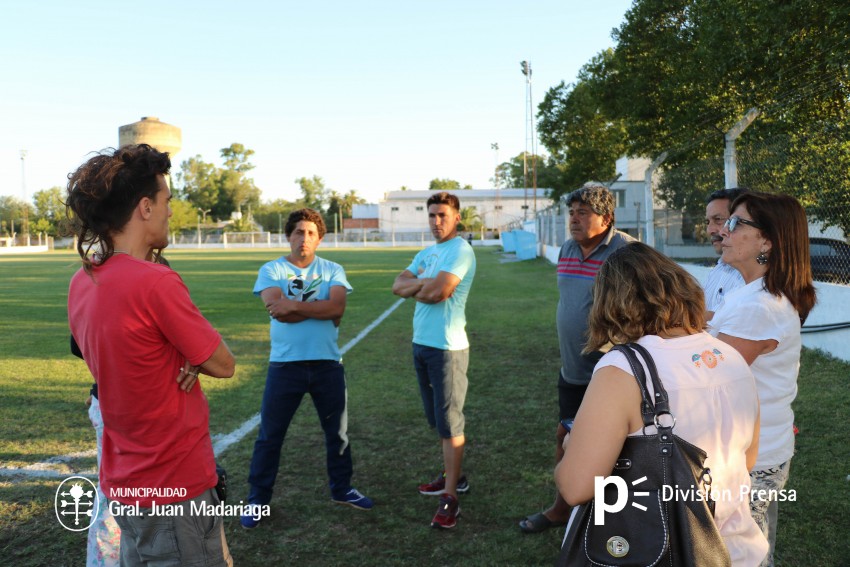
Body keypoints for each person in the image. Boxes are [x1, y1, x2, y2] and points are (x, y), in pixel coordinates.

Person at [66, 144, 236, 567]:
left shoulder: (81, 282)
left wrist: (180, 354)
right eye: (166, 202)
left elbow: (124, 358)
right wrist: (191, 355)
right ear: (144, 207)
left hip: (125, 482)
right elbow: (224, 363)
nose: (170, 212)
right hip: (174, 483)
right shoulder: (155, 282)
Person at [555, 242, 769, 566]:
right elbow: (746, 458)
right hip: (737, 548)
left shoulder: (624, 369)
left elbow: (576, 487)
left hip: (663, 550)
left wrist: (573, 443)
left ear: (611, 304)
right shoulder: (731, 357)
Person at [242, 208, 372, 529]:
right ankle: (258, 499)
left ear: (320, 238)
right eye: (299, 232)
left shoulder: (333, 269)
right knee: (270, 436)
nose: (304, 238)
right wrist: (320, 310)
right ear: (288, 236)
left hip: (328, 365)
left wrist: (297, 305)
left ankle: (341, 489)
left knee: (337, 434)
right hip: (285, 367)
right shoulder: (272, 269)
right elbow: (278, 310)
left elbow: (337, 306)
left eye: (311, 233)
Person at [519, 182, 633, 533]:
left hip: (610, 373)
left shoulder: (626, 252)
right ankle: (562, 509)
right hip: (572, 369)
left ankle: (611, 524)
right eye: (572, 212)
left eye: (583, 213)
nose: (574, 219)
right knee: (565, 435)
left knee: (615, 452)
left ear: (607, 218)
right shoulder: (568, 247)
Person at [709, 192, 816, 567]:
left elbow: (707, 376)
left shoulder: (758, 306)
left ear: (767, 241)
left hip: (750, 459)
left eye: (735, 223)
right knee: (754, 544)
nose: (723, 230)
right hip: (757, 449)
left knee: (741, 555)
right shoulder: (753, 294)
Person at [392, 191, 476, 529]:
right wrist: (424, 284)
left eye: (442, 215)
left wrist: (422, 286)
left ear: (456, 217)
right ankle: (453, 475)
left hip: (447, 349)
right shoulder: (427, 253)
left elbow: (438, 293)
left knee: (450, 422)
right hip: (421, 344)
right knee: (438, 420)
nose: (436, 221)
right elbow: (398, 285)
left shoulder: (461, 251)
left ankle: (451, 496)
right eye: (431, 215)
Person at [704, 188, 748, 315]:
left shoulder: (756, 278)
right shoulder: (719, 269)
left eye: (718, 219)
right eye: (707, 222)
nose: (710, 230)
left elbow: (727, 322)